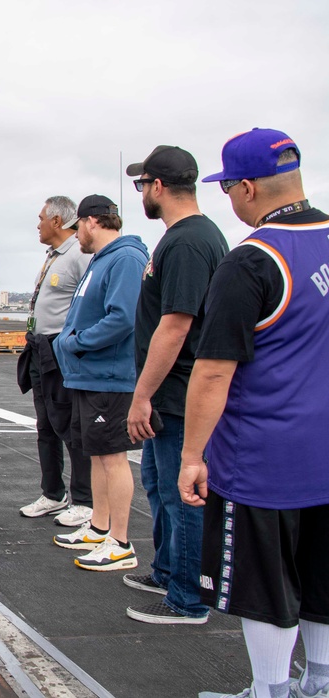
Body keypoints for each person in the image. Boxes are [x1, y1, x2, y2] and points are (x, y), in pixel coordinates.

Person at [179, 129, 329, 698]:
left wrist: (193, 455)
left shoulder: (253, 259)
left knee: (265, 584)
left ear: (246, 187)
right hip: (325, 448)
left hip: (265, 458)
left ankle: (269, 689)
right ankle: (318, 682)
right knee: (320, 576)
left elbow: (214, 370)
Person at [122, 146, 228, 626]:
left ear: (158, 187)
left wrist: (141, 396)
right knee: (160, 485)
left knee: (179, 492)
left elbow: (176, 325)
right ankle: (167, 571)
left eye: (142, 184)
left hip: (178, 392)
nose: (141, 193)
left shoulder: (186, 242)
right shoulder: (183, 238)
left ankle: (187, 599)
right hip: (173, 391)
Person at [51, 195, 148, 571]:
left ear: (92, 222)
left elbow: (123, 318)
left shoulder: (124, 258)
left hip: (108, 375)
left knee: (112, 457)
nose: (76, 238)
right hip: (91, 374)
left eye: (78, 229)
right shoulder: (103, 260)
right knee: (98, 454)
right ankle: (99, 526)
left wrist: (76, 343)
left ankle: (120, 543)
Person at [17, 196, 94, 527]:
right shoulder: (52, 256)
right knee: (45, 425)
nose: (37, 224)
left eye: (41, 218)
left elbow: (91, 304)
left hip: (60, 349)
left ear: (58, 221)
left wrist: (71, 342)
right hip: (39, 349)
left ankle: (84, 500)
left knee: (70, 425)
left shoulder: (78, 254)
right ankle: (52, 493)